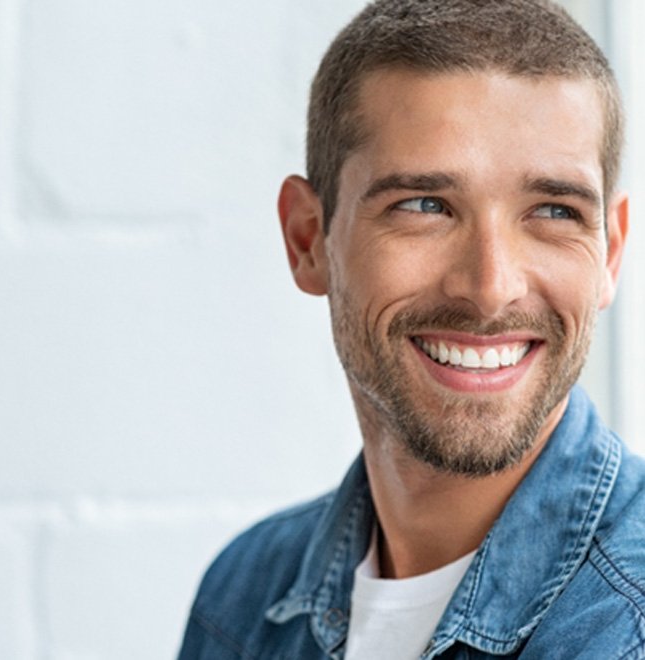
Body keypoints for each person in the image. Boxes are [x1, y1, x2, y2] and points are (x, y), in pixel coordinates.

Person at [178, 1, 644, 657]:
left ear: (609, 253)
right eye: (424, 206)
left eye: (552, 210)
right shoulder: (244, 597)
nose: (489, 288)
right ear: (308, 239)